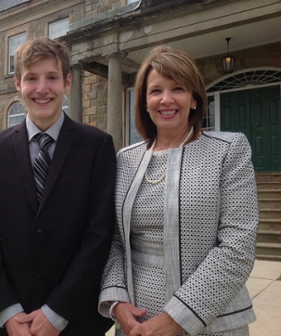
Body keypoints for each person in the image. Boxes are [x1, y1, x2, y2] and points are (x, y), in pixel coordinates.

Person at [98, 45, 259, 336]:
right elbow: (114, 242)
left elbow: (238, 246)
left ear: (195, 99)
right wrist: (116, 300)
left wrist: (177, 318)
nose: (166, 99)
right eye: (156, 90)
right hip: (137, 325)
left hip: (212, 322)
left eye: (178, 89)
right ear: (145, 102)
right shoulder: (125, 159)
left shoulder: (228, 150)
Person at [0, 36, 116, 336]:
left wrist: (57, 313)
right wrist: (8, 312)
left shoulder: (97, 146)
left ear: (67, 82)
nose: (42, 88)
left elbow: (99, 234)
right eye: (31, 78)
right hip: (15, 322)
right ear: (17, 84)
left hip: (78, 319)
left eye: (51, 77)